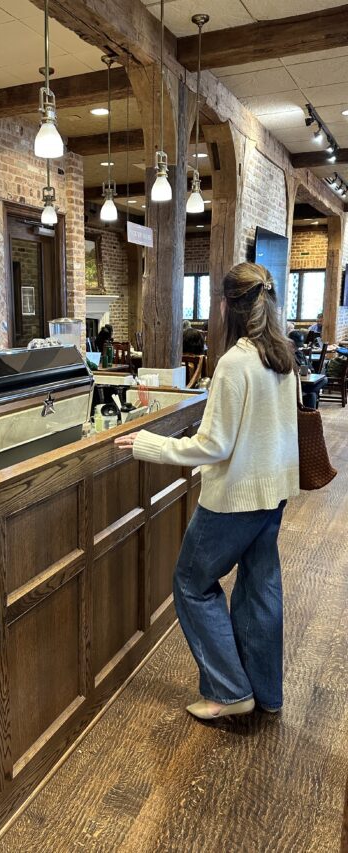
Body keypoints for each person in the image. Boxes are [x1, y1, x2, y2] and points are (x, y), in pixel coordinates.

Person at [115, 262, 299, 721]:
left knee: (190, 584)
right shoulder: (283, 357)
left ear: (226, 307)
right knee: (260, 588)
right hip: (274, 491)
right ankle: (266, 693)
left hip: (235, 498)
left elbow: (214, 446)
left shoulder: (235, 363)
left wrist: (150, 445)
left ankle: (229, 690)